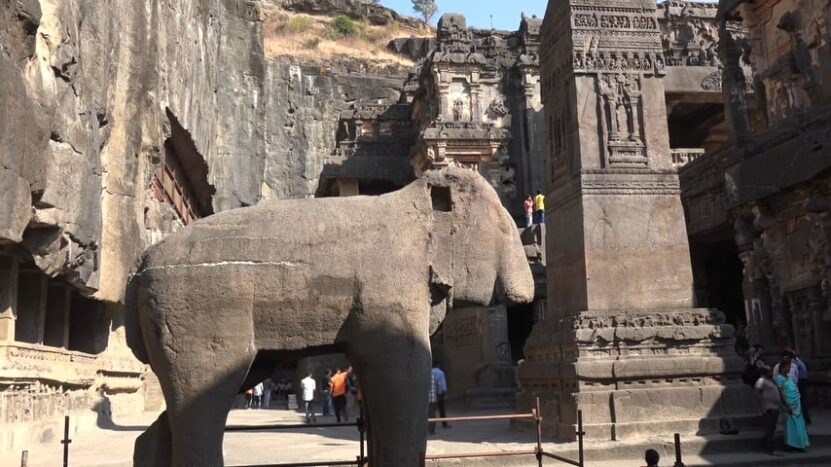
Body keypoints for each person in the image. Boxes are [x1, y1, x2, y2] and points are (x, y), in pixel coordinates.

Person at [774, 362, 810, 452]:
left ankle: (800, 444)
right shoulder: (778, 378)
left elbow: (794, 388)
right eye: (787, 367)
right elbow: (781, 392)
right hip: (788, 403)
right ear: (782, 368)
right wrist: (786, 404)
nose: (789, 369)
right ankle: (791, 445)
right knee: (791, 424)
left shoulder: (789, 377)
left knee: (799, 424)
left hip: (796, 402)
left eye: (789, 367)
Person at [774, 349, 811, 425]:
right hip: (786, 389)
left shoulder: (794, 364)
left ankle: (803, 420)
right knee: (789, 410)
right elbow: (777, 377)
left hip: (795, 387)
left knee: (800, 405)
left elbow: (798, 374)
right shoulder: (779, 366)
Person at [755, 367, 783, 456]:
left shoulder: (770, 381)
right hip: (769, 408)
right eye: (768, 371)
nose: (770, 372)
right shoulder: (761, 381)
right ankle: (770, 449)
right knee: (770, 429)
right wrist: (762, 408)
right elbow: (758, 394)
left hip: (775, 407)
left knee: (772, 428)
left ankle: (771, 447)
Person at [431, 362, 450, 429]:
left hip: (432, 393)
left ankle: (432, 426)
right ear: (438, 365)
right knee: (441, 409)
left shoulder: (430, 372)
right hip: (439, 394)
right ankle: (444, 424)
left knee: (432, 410)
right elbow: (442, 384)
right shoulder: (440, 373)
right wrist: (444, 393)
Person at [428, 367, 439, 435]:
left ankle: (428, 428)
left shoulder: (424, 375)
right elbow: (436, 386)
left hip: (426, 399)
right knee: (433, 414)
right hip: (433, 398)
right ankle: (432, 430)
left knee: (426, 415)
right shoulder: (433, 375)